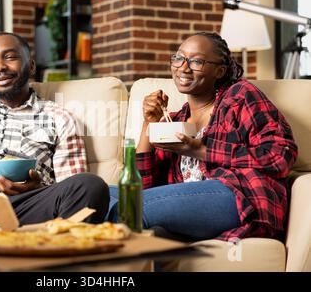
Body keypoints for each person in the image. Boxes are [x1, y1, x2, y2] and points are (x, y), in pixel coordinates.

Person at [108, 32, 298, 242]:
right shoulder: (176, 120)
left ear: (219, 70)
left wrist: (200, 151)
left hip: (239, 196)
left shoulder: (240, 96)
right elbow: (144, 187)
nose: (184, 67)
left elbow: (281, 155)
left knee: (130, 211)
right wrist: (149, 123)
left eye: (196, 61)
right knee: (95, 193)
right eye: (179, 58)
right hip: (191, 209)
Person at [0, 32, 109, 225]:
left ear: (31, 66)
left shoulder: (58, 117)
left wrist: (37, 186)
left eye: (10, 57)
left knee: (89, 185)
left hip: (27, 205)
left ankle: (58, 249)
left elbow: (69, 182)